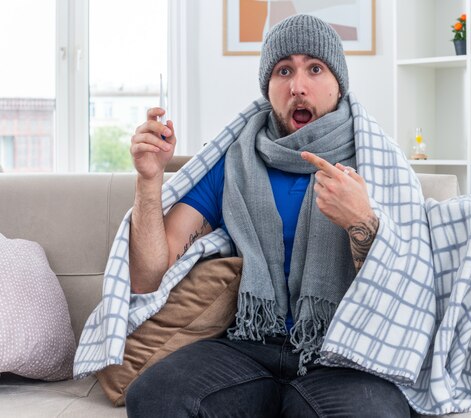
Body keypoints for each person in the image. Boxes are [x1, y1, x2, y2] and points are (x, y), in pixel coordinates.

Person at [125, 14, 411, 417]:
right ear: (268, 86)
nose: (298, 85)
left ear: (339, 83)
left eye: (315, 68)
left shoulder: (375, 161)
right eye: (283, 70)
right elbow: (148, 276)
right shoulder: (234, 163)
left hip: (343, 354)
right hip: (249, 344)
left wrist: (360, 221)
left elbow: (401, 292)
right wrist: (149, 180)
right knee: (155, 395)